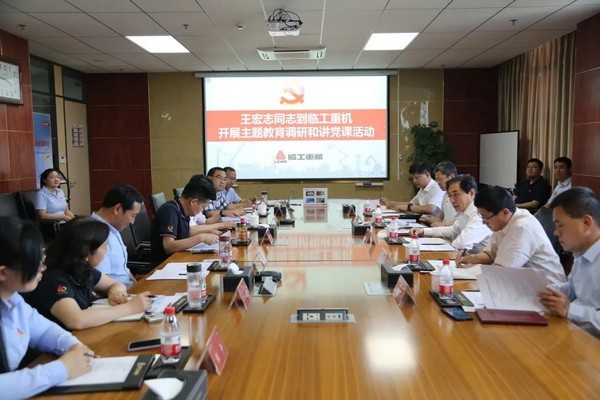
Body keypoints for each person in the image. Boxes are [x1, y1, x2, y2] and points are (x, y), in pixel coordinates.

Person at [0, 217, 93, 398]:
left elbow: (44, 331)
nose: (43, 267)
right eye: (35, 261)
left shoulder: (13, 300)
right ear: (3, 273)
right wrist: (61, 369)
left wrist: (74, 346)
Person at [24, 218, 152, 330]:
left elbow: (115, 284)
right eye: (105, 246)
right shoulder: (53, 277)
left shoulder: (79, 265)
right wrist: (129, 308)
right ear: (86, 252)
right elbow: (76, 320)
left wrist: (115, 293)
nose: (107, 250)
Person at [459, 185, 566, 284]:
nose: (484, 222)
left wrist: (467, 275)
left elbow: (502, 272)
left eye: (486, 217)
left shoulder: (522, 227)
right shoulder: (501, 222)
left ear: (505, 212)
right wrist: (471, 258)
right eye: (481, 217)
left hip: (549, 290)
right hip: (523, 285)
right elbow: (490, 254)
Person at [538, 188, 600, 339]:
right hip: (578, 335)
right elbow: (573, 288)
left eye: (560, 225)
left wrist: (570, 310)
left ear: (586, 223)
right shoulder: (581, 253)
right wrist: (543, 290)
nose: (556, 232)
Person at [411, 175, 490, 253]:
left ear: (471, 193)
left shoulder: (480, 215)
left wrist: (446, 244)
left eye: (456, 195)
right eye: (450, 196)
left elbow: (461, 243)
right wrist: (423, 231)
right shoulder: (465, 212)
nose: (452, 200)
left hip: (477, 259)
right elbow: (452, 231)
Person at [151, 176, 220, 264]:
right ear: (193, 202)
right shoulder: (169, 211)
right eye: (203, 207)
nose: (202, 210)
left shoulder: (183, 210)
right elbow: (168, 247)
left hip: (179, 258)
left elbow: (183, 233)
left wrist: (207, 232)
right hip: (166, 264)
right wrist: (201, 238)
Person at [91, 184, 144, 287]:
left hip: (129, 288)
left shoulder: (113, 228)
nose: (132, 222)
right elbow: (101, 279)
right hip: (116, 292)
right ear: (118, 209)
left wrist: (137, 285)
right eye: (132, 215)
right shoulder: (96, 234)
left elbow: (123, 269)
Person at [379, 162, 444, 214]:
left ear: (427, 175)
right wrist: (390, 203)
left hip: (433, 224)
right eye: (413, 178)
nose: (414, 181)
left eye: (417, 178)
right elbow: (410, 204)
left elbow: (431, 208)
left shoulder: (437, 187)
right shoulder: (422, 189)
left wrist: (409, 208)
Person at [420, 161, 458, 227]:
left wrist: (442, 225)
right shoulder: (445, 194)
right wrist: (425, 220)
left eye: (440, 179)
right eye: (436, 180)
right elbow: (440, 218)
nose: (438, 183)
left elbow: (462, 222)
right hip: (445, 231)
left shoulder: (462, 196)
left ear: (451, 177)